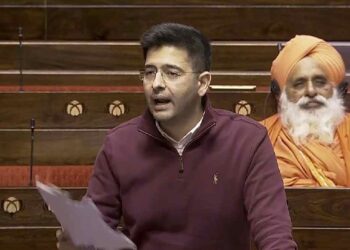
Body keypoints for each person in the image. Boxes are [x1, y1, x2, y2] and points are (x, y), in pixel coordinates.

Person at [57, 23, 296, 250]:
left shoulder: (247, 140)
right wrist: (79, 242)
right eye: (150, 73)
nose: (156, 84)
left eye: (171, 73)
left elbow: (274, 233)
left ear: (202, 83)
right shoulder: (119, 145)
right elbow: (96, 229)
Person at [261, 35, 350, 187]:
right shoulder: (259, 137)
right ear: (280, 94)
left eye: (320, 82)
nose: (310, 91)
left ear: (336, 90)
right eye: (299, 84)